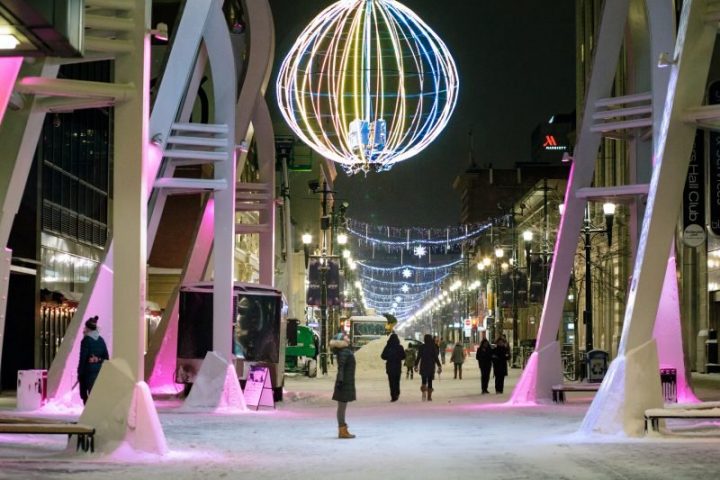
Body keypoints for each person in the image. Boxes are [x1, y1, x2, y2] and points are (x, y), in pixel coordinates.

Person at [77, 316, 109, 405]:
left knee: (85, 396)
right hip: (100, 373)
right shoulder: (101, 340)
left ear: (88, 328)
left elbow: (82, 358)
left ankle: (88, 416)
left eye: (85, 327)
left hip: (88, 373)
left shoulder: (86, 340)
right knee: (96, 398)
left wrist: (79, 373)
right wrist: (98, 359)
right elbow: (106, 358)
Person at [331, 332, 356, 438]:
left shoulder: (344, 351)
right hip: (344, 382)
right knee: (341, 407)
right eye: (345, 336)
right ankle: (342, 430)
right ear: (341, 341)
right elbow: (341, 367)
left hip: (345, 381)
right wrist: (341, 381)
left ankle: (343, 429)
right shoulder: (344, 352)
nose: (347, 337)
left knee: (342, 407)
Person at [414, 334, 442, 401]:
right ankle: (429, 396)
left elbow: (418, 357)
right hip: (431, 366)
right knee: (430, 381)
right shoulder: (433, 347)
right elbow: (436, 357)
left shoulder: (421, 347)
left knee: (423, 380)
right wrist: (439, 365)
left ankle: (423, 393)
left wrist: (416, 365)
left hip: (423, 365)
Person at [381, 333, 406, 402]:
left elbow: (383, 356)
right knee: (397, 381)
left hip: (390, 367)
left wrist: (389, 357)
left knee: (391, 382)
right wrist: (398, 357)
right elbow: (404, 356)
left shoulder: (387, 347)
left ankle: (393, 396)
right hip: (397, 367)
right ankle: (397, 393)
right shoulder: (400, 347)